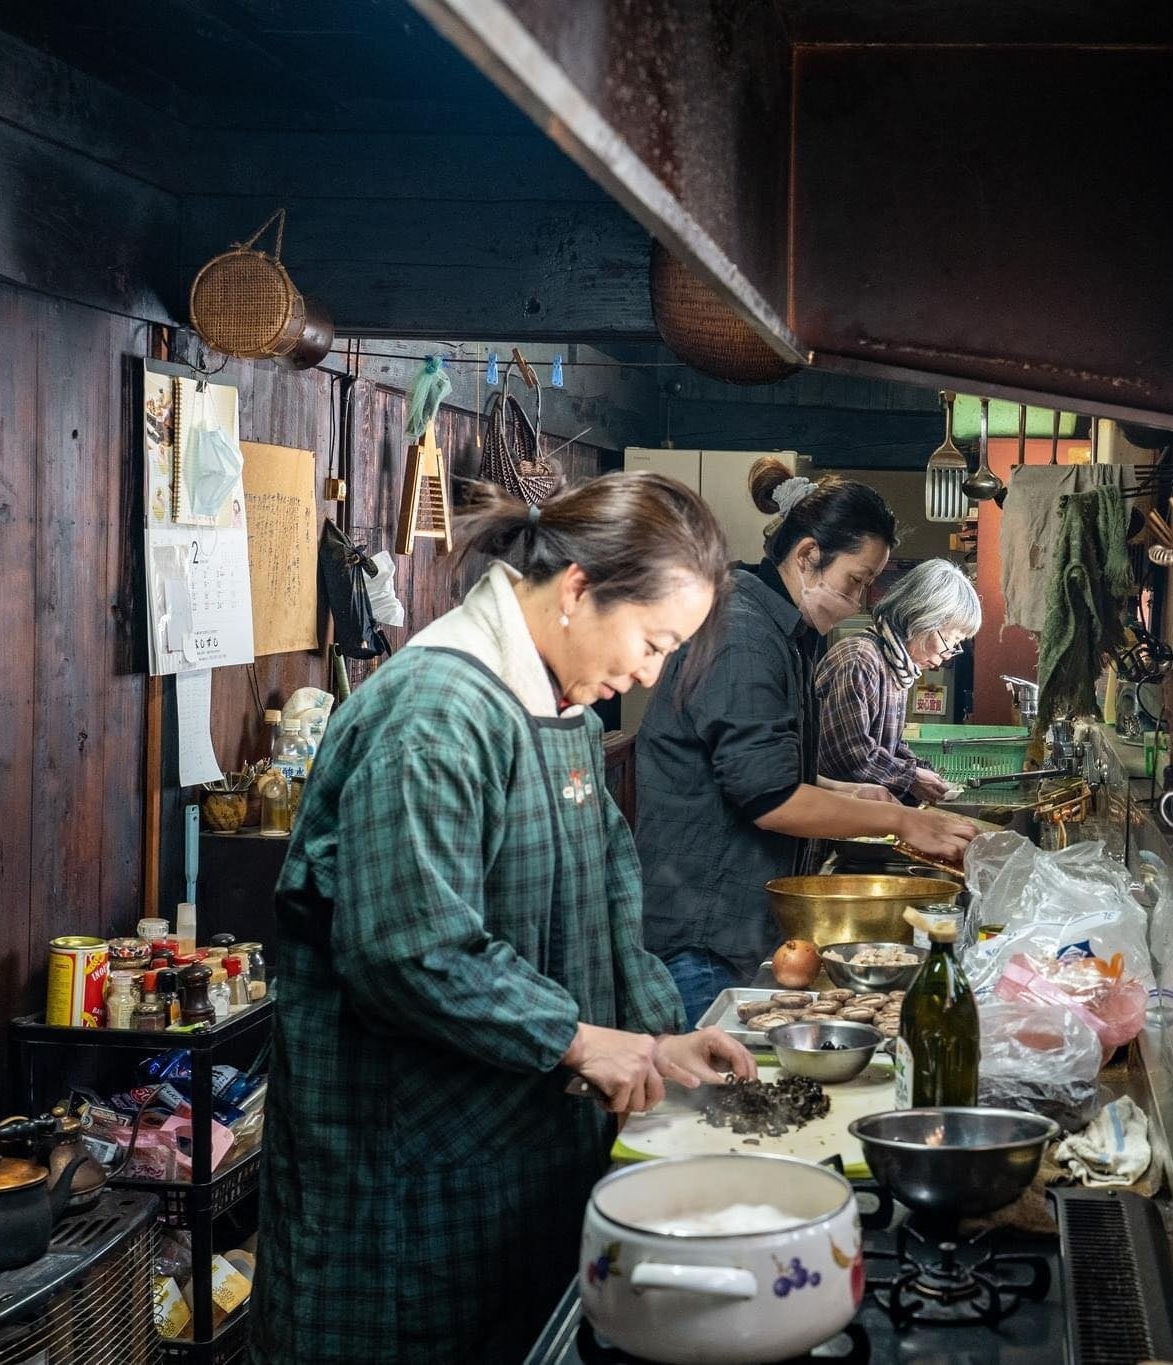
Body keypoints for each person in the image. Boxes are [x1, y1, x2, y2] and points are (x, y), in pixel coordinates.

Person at [255, 477, 758, 1365]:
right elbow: (410, 952)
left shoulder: (560, 710)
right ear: (576, 589)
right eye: (652, 643)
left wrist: (652, 1042)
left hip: (521, 1161)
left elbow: (608, 907)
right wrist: (577, 1039)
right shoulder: (435, 715)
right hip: (408, 1181)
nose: (649, 674)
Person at [635, 457, 979, 1020]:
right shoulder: (743, 634)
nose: (861, 600)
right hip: (702, 926)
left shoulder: (779, 630)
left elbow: (749, 765)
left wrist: (842, 791)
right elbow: (770, 799)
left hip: (731, 917)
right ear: (807, 556)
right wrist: (902, 820)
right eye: (856, 580)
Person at [817, 558, 982, 803]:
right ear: (921, 619)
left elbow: (889, 746)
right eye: (949, 640)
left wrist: (921, 770)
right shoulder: (860, 659)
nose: (948, 654)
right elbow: (849, 757)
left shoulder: (897, 667)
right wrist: (911, 777)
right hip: (831, 809)